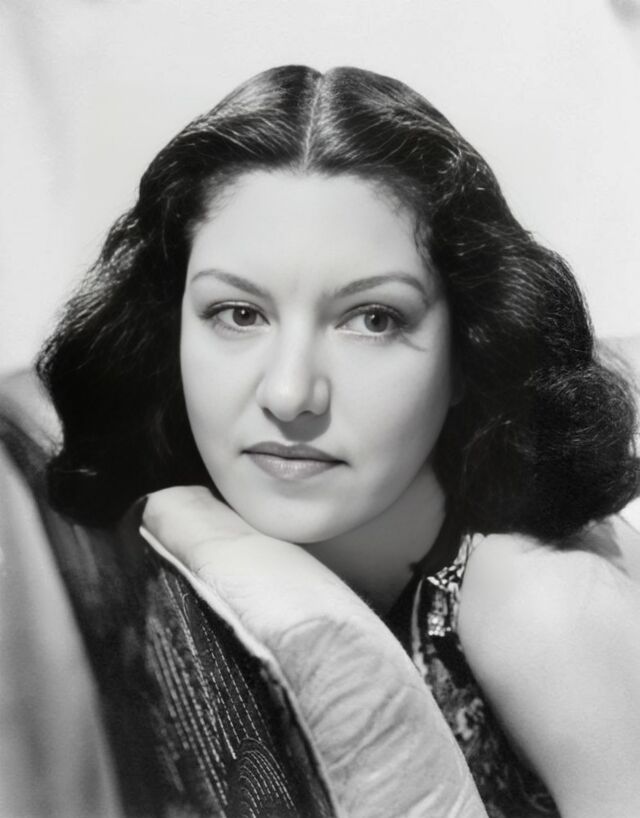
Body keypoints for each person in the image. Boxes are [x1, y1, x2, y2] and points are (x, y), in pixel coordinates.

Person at [37, 65, 640, 817]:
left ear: (468, 351)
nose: (290, 394)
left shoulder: (541, 607)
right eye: (238, 314)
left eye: (374, 320)